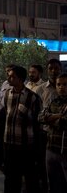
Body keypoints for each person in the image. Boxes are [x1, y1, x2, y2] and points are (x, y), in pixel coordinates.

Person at [3, 66, 41, 193]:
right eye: (8, 75)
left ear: (20, 79)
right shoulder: (7, 93)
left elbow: (37, 122)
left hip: (25, 145)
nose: (9, 78)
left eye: (12, 76)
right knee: (9, 176)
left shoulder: (33, 97)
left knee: (27, 177)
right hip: (9, 142)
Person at [36, 58, 62, 192]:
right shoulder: (40, 89)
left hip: (61, 136)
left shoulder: (64, 88)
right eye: (50, 68)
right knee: (44, 167)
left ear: (60, 69)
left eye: (56, 68)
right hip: (44, 133)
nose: (53, 71)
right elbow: (39, 115)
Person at [38, 73, 67, 193]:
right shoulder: (54, 101)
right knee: (53, 184)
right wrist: (58, 116)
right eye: (59, 84)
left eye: (65, 84)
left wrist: (51, 119)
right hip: (51, 149)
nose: (61, 87)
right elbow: (40, 117)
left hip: (65, 150)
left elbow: (64, 123)